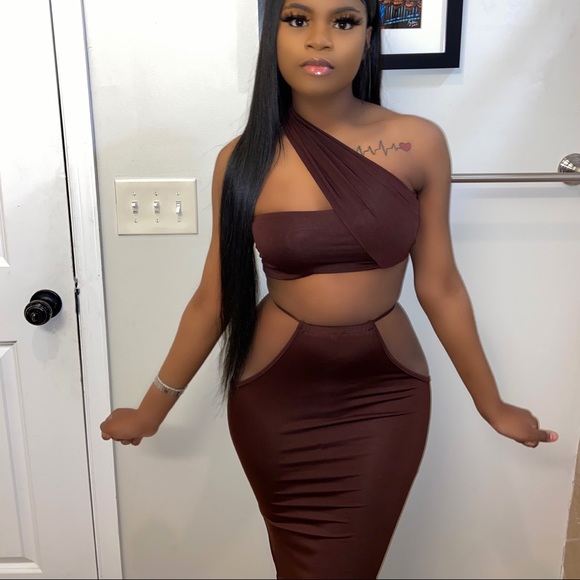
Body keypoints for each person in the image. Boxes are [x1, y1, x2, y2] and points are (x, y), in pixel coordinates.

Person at [100, 0, 558, 577]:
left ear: (368, 36)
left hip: (384, 394)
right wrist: (150, 411)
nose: (320, 39)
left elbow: (440, 286)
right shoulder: (241, 159)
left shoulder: (418, 143)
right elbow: (213, 300)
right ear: (272, 33)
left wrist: (492, 405)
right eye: (298, 19)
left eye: (343, 21)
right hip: (276, 395)